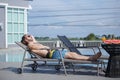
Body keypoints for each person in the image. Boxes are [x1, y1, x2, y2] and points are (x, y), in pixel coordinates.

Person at [21, 34, 102, 61]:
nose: (30, 36)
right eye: (28, 36)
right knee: (72, 55)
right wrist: (48, 49)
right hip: (52, 54)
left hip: (53, 52)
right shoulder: (30, 45)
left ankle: (90, 57)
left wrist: (33, 39)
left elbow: (37, 46)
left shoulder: (32, 44)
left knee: (72, 54)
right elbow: (36, 48)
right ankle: (90, 58)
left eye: (29, 35)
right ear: (25, 40)